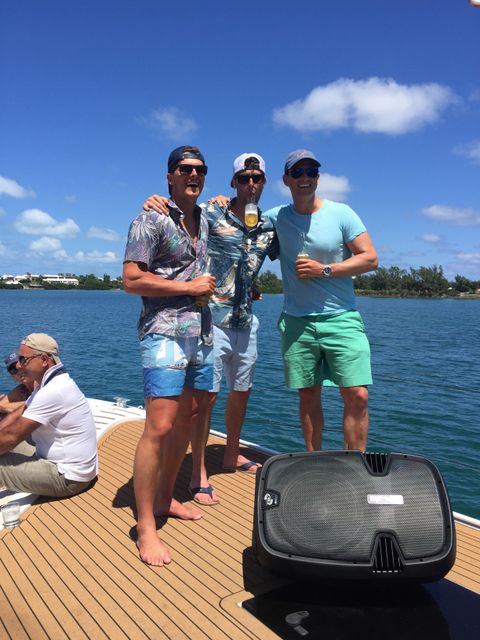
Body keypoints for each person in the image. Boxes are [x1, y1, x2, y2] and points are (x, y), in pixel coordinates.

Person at [142, 153, 278, 506]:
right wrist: (155, 200)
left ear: (264, 182)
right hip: (209, 320)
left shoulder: (269, 225)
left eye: (257, 178)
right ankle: (199, 471)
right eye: (244, 178)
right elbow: (180, 211)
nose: (251, 184)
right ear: (233, 182)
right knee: (206, 399)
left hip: (246, 320)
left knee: (242, 391)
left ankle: (231, 453)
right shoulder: (211, 212)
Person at [123, 145, 216, 566]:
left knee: (190, 417)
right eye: (184, 169)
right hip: (163, 332)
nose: (192, 175)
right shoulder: (150, 219)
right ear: (170, 176)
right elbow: (131, 279)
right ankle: (145, 525)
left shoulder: (206, 219)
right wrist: (188, 288)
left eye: (199, 169)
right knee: (159, 426)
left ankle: (164, 498)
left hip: (202, 331)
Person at [265, 149, 378, 452]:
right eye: (297, 172)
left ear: (318, 177)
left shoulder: (342, 213)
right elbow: (238, 223)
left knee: (357, 395)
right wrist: (220, 202)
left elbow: (370, 258)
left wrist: (324, 270)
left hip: (342, 318)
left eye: (311, 172)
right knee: (308, 395)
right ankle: (314, 462)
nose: (305, 178)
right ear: (286, 179)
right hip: (297, 322)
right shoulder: (276, 217)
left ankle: (355, 465)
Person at [0, 334, 98, 497]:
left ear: (44, 359)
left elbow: (11, 437)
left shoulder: (54, 390)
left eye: (23, 359)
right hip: (57, 461)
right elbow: (19, 414)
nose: (18, 365)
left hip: (68, 478)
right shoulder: (49, 384)